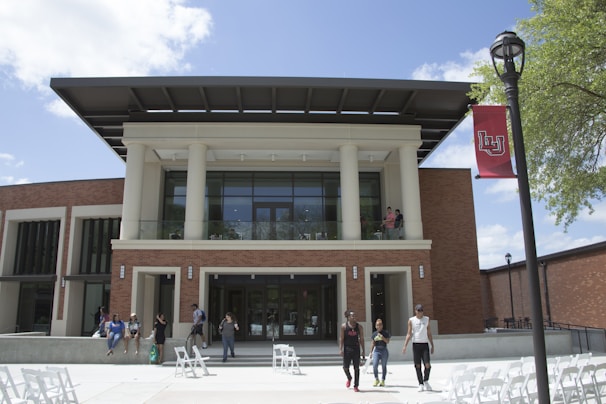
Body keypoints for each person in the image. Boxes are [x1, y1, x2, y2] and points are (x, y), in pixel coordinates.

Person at [402, 304, 434, 392]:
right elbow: (409, 333)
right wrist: (405, 345)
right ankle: (420, 383)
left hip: (424, 344)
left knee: (427, 365)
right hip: (416, 344)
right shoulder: (411, 320)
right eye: (418, 311)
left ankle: (426, 380)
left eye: (421, 311)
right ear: (415, 311)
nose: (420, 313)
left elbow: (429, 333)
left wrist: (432, 345)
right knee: (417, 365)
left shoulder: (426, 319)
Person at [339, 310, 365, 392]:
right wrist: (340, 349)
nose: (354, 317)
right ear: (348, 317)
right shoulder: (344, 326)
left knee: (356, 368)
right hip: (347, 349)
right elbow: (342, 338)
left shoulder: (359, 327)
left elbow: (362, 339)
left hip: (356, 349)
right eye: (352, 316)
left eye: (354, 316)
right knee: (345, 367)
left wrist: (363, 350)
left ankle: (356, 385)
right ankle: (349, 377)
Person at [370, 318, 391, 387]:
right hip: (377, 350)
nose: (378, 326)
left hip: (384, 350)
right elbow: (373, 343)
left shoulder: (385, 333)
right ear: (375, 326)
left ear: (382, 326)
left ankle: (383, 380)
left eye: (380, 325)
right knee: (375, 365)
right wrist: (371, 352)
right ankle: (376, 379)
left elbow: (387, 341)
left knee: (383, 366)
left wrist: (382, 338)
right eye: (377, 325)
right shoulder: (374, 334)